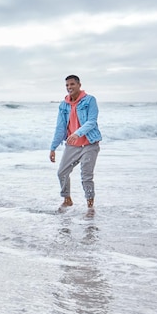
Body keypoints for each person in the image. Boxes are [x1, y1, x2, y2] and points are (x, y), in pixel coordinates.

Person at [49, 74, 102, 215]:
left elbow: (92, 121)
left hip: (90, 144)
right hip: (73, 146)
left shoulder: (89, 100)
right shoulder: (64, 105)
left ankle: (90, 206)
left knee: (86, 175)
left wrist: (77, 133)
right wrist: (53, 147)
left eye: (72, 84)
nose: (69, 87)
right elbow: (60, 128)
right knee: (62, 172)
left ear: (79, 85)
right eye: (67, 85)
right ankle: (67, 199)